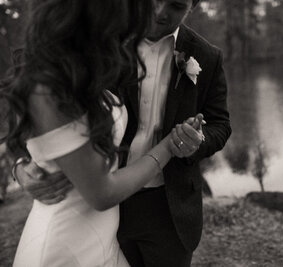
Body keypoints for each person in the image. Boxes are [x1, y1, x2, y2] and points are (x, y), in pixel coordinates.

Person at [14, 0, 232, 266]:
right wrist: (21, 167)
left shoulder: (207, 56)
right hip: (103, 202)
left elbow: (220, 124)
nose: (160, 12)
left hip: (168, 207)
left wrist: (198, 140)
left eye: (175, 5)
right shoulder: (102, 43)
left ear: (192, 6)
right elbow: (35, 117)